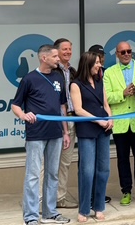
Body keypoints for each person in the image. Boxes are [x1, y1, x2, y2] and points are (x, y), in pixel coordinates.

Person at [11, 44, 71, 225]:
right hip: (36, 134)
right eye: (55, 56)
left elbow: (62, 107)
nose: (58, 59)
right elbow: (15, 105)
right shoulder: (29, 79)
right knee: (33, 175)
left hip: (56, 133)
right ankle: (30, 217)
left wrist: (65, 131)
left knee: (53, 174)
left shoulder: (59, 78)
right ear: (44, 58)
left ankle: (49, 213)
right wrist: (23, 115)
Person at [103, 41, 135, 205]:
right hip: (120, 123)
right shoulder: (109, 72)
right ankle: (126, 191)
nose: (126, 54)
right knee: (122, 158)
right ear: (117, 54)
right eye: (122, 52)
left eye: (129, 51)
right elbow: (106, 97)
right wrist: (122, 93)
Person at [70, 51, 113, 223]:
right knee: (87, 171)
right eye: (96, 63)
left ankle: (99, 207)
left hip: (104, 130)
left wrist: (110, 118)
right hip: (87, 130)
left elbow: (105, 104)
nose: (99, 65)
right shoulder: (76, 84)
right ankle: (84, 209)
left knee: (104, 170)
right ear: (87, 64)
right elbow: (78, 109)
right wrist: (99, 121)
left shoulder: (100, 81)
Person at [52, 38, 78, 209]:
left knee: (65, 163)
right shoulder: (52, 71)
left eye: (69, 49)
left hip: (72, 119)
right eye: (64, 49)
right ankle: (45, 200)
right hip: (57, 122)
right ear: (57, 51)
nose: (68, 52)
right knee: (51, 162)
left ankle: (60, 198)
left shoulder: (73, 71)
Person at [88, 44, 112, 204]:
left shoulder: (104, 73)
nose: (100, 60)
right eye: (97, 57)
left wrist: (110, 118)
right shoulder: (84, 77)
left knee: (102, 164)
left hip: (104, 123)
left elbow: (105, 100)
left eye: (102, 57)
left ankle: (99, 195)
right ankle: (88, 196)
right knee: (88, 165)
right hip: (89, 124)